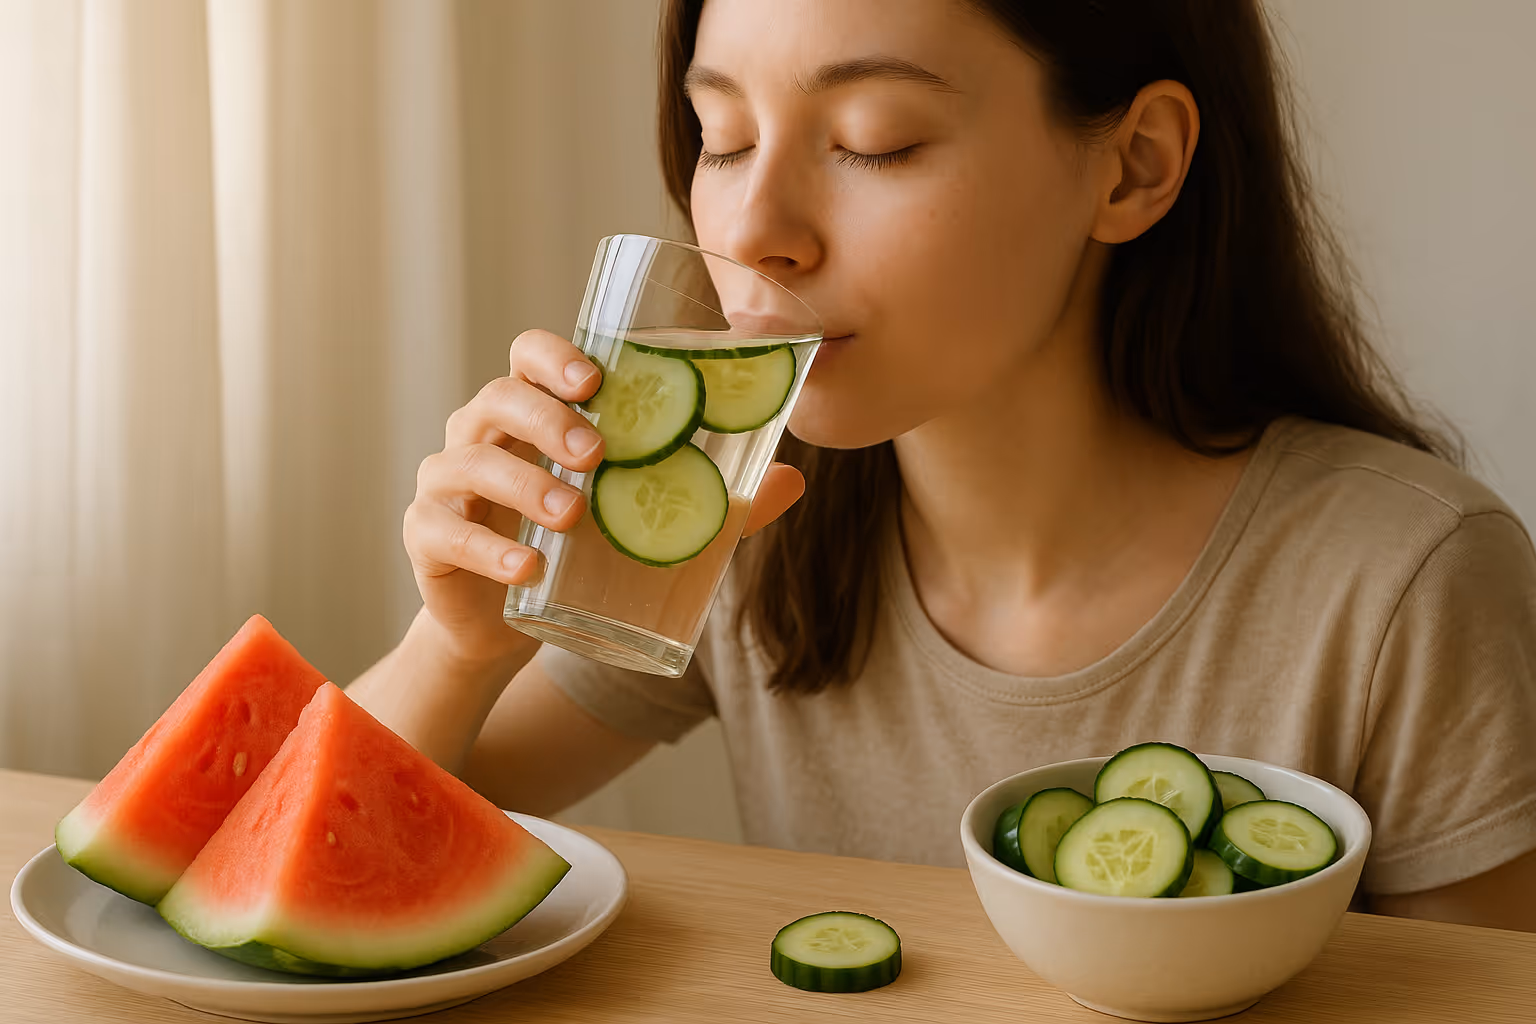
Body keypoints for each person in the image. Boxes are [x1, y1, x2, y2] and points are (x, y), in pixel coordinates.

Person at [348, 0, 1536, 931]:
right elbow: (353, 857)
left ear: (1132, 166)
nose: (755, 230)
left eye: (875, 142)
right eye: (724, 139)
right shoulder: (741, 528)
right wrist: (452, 648)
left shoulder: (1410, 584)